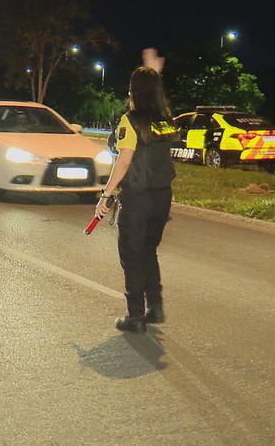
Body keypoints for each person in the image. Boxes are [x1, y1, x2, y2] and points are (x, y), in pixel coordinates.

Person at [94, 48, 178, 334]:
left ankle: (135, 317)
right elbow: (156, 99)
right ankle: (155, 306)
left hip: (138, 198)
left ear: (133, 91)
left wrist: (106, 195)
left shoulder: (129, 121)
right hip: (162, 197)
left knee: (131, 255)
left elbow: (124, 160)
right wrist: (154, 75)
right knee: (148, 251)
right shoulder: (165, 119)